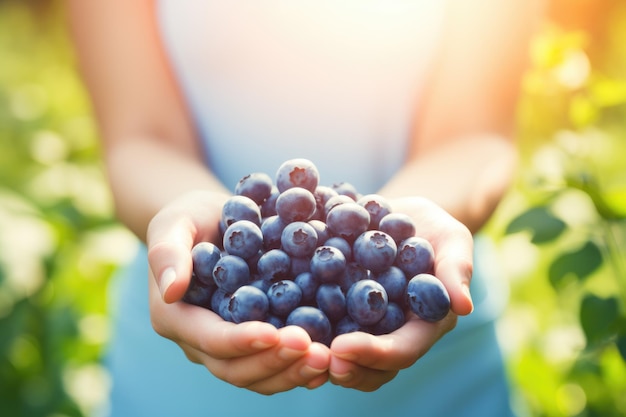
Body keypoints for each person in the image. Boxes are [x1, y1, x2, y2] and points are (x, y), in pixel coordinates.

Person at [68, 0, 540, 415]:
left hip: (437, 380)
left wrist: (421, 220)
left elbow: (474, 136)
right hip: (180, 361)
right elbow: (139, 138)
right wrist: (178, 216)